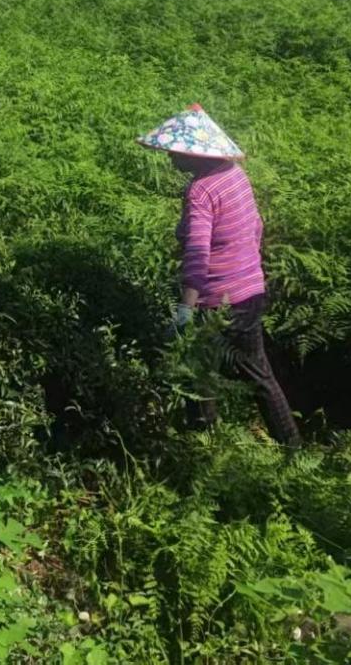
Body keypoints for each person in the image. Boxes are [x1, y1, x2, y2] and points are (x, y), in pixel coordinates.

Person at [137, 104, 302, 448]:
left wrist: (185, 310)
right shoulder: (234, 175)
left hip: (218, 302)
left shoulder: (201, 190)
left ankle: (205, 449)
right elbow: (256, 227)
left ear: (195, 154)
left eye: (176, 151)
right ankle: (293, 449)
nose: (170, 157)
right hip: (251, 292)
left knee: (195, 374)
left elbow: (197, 254)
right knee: (260, 375)